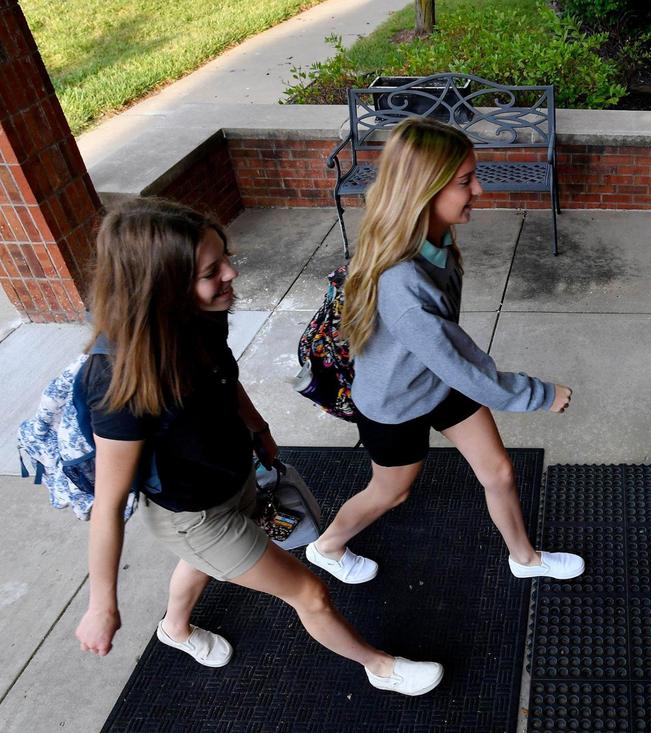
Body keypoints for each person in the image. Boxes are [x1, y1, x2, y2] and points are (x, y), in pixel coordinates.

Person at [74, 198, 443, 696]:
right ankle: (379, 667)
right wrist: (102, 605)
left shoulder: (201, 316)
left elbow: (223, 379)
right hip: (194, 516)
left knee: (204, 562)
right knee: (309, 593)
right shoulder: (117, 381)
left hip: (234, 476)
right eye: (211, 271)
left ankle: (174, 629)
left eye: (225, 257)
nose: (231, 273)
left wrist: (259, 429)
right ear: (162, 286)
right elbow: (109, 502)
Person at [305, 117, 584, 585]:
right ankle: (327, 546)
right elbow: (457, 360)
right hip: (394, 402)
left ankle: (525, 558)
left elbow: (445, 356)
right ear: (423, 191)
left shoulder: (433, 239)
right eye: (464, 181)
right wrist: (536, 394)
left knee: (498, 471)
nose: (479, 190)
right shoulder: (403, 283)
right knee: (391, 492)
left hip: (436, 380)